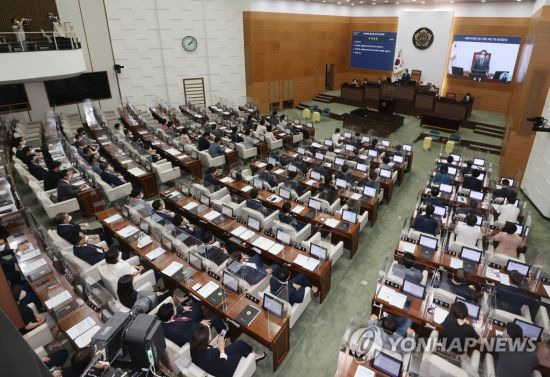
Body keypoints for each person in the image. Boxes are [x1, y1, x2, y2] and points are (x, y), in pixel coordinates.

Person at [190, 324, 266, 377]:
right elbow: (222, 364)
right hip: (224, 370)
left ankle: (252, 353)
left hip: (214, 359)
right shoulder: (209, 356)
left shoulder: (193, 346)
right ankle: (252, 357)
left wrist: (218, 346)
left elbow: (210, 351)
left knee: (240, 344)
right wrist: (222, 349)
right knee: (238, 354)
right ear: (205, 341)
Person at [158, 300, 226, 347]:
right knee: (216, 318)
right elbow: (190, 335)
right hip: (192, 332)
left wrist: (182, 308)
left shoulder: (162, 319)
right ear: (171, 315)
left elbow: (173, 314)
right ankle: (223, 334)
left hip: (183, 322)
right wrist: (201, 324)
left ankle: (201, 317)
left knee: (196, 305)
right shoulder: (177, 330)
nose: (176, 308)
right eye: (174, 309)